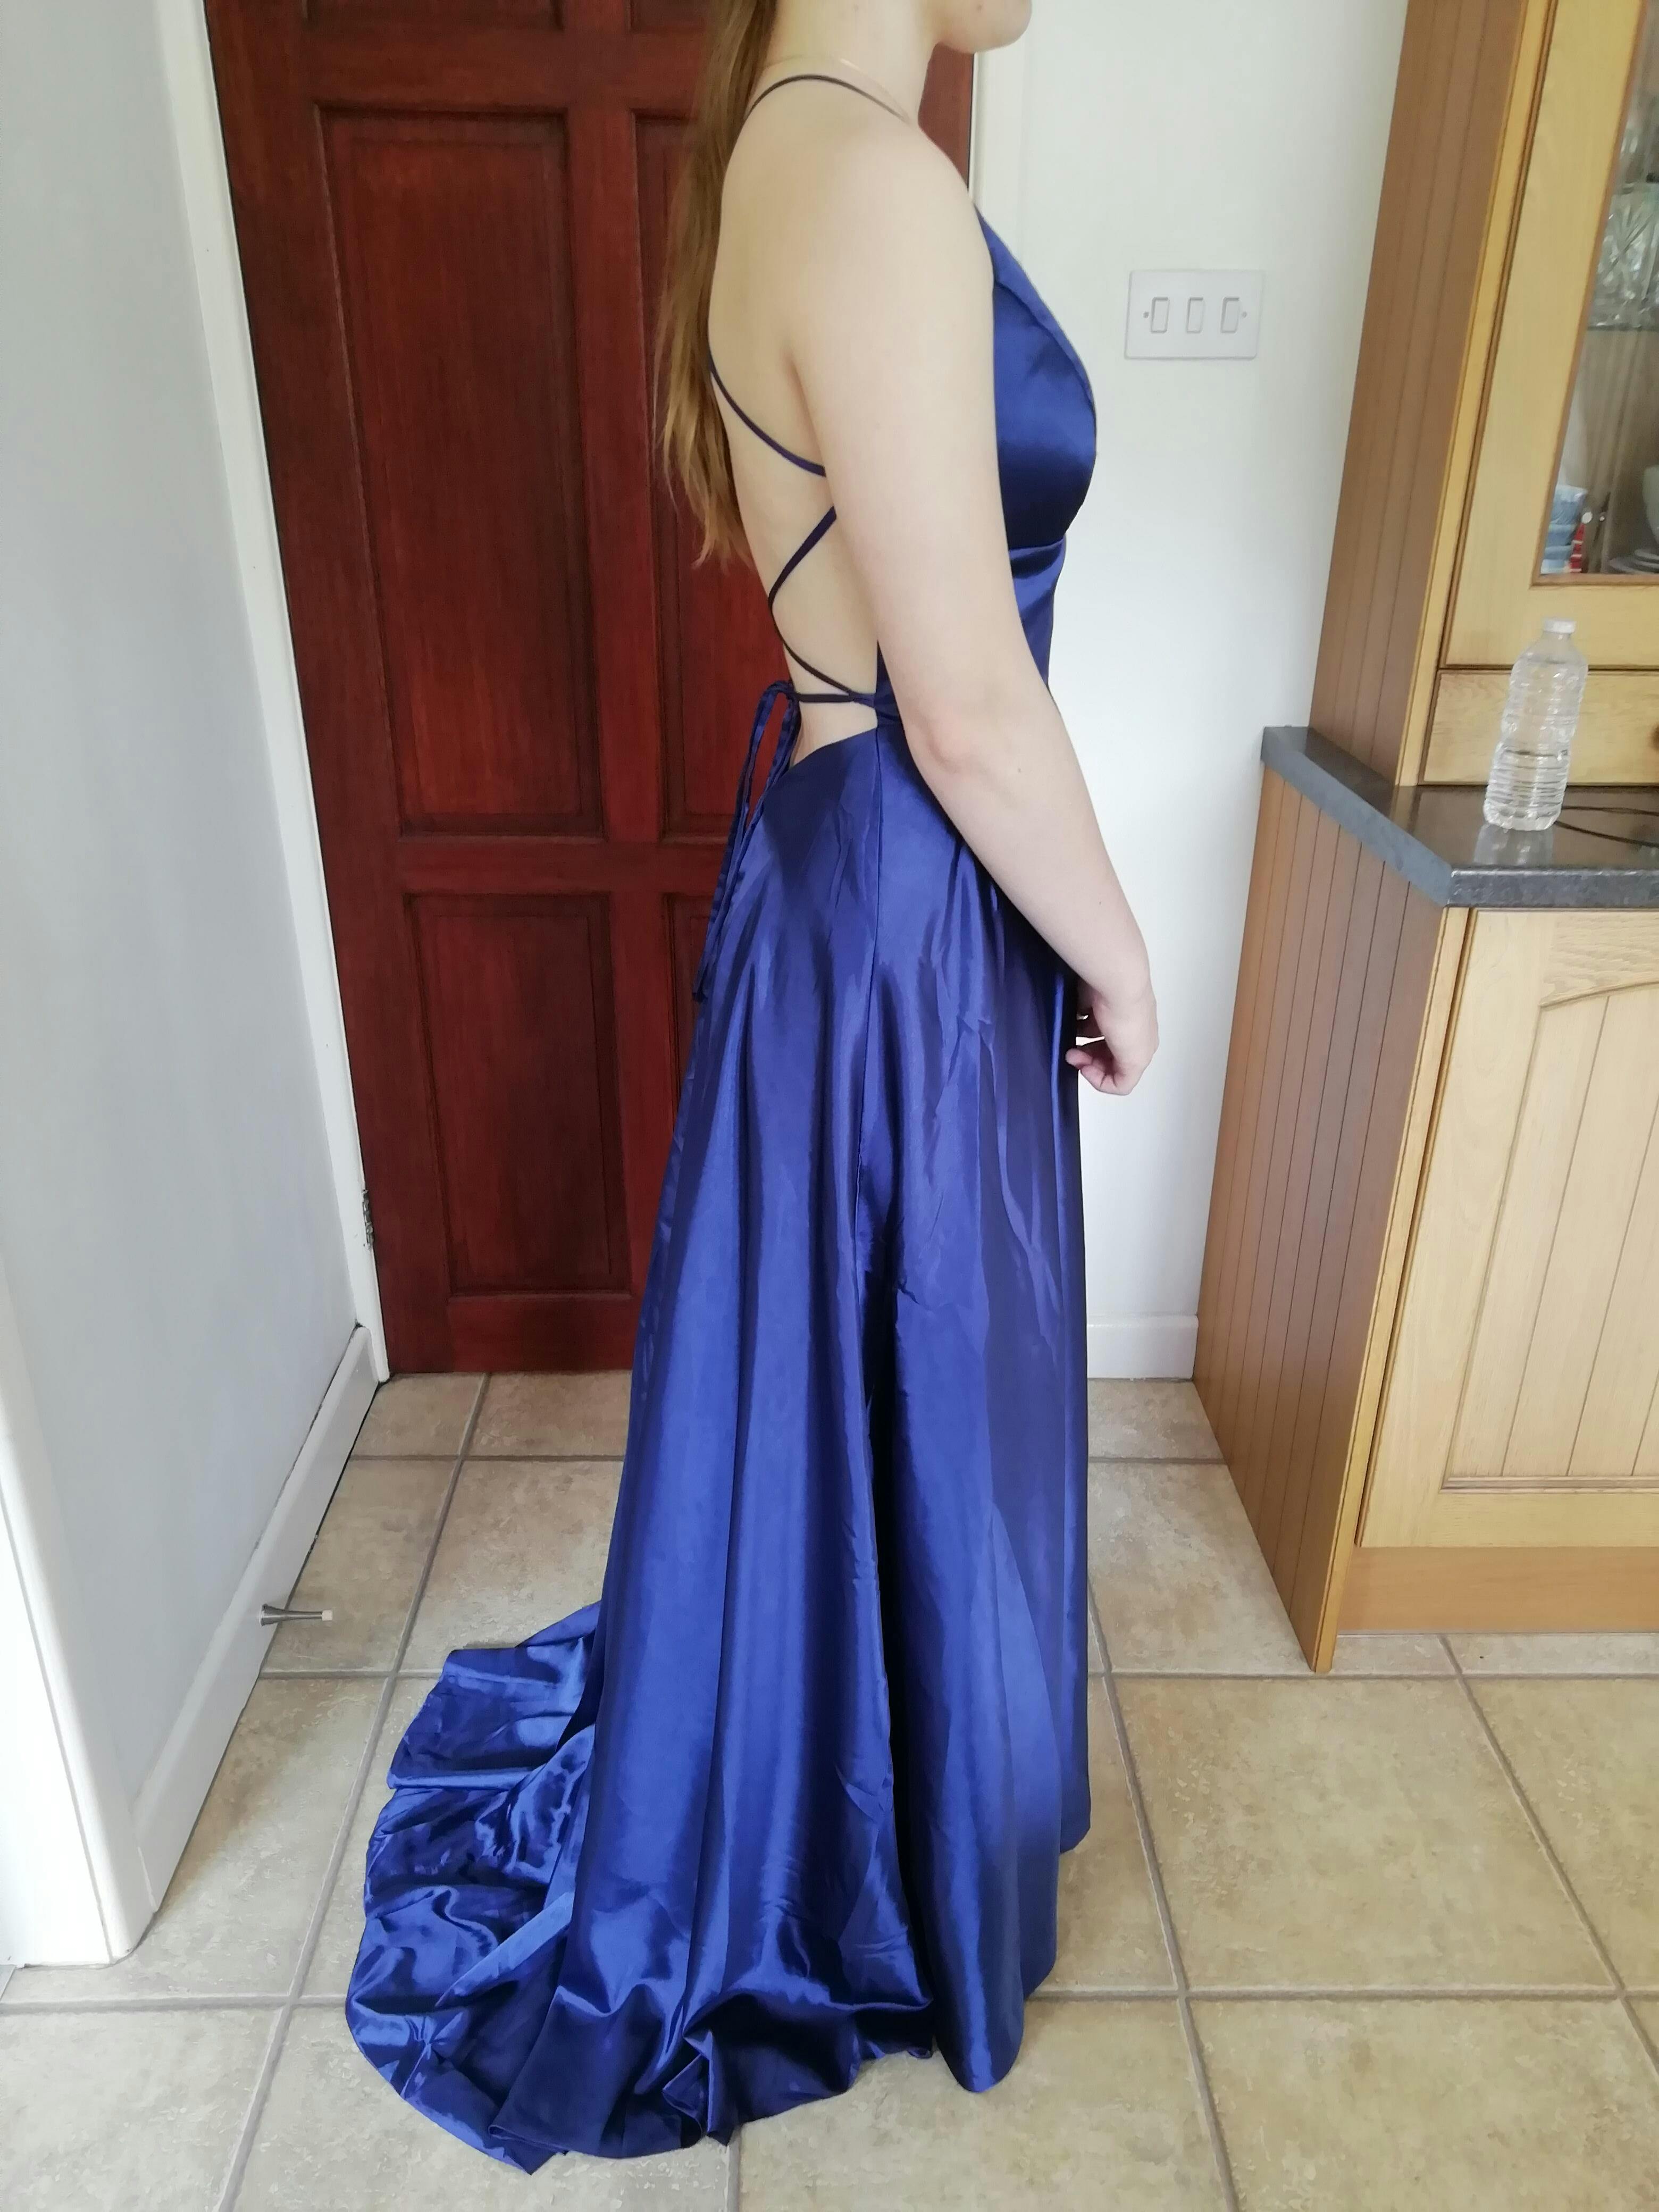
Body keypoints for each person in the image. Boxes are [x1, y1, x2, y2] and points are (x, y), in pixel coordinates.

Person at [347, 0, 1157, 2169]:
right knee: (922, 1347)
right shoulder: (871, 180)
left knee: (870, 1357)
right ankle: (876, 1861)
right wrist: (1122, 951)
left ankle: (862, 1791)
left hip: (855, 857)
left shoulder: (782, 154)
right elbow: (966, 705)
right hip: (910, 875)